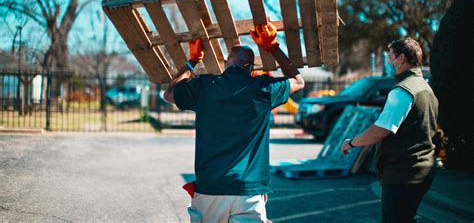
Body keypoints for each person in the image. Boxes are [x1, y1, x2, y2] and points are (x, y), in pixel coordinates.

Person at [164, 21, 305, 222]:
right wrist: (273, 47)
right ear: (250, 68)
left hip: (210, 188)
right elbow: (299, 82)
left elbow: (169, 94)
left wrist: (192, 61)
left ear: (226, 65)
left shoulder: (204, 87)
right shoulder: (263, 88)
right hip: (248, 189)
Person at [340, 37, 439, 223]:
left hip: (403, 173)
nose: (388, 61)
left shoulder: (402, 90)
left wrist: (351, 142)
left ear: (401, 58)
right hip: (422, 169)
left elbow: (381, 129)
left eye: (390, 56)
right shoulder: (426, 88)